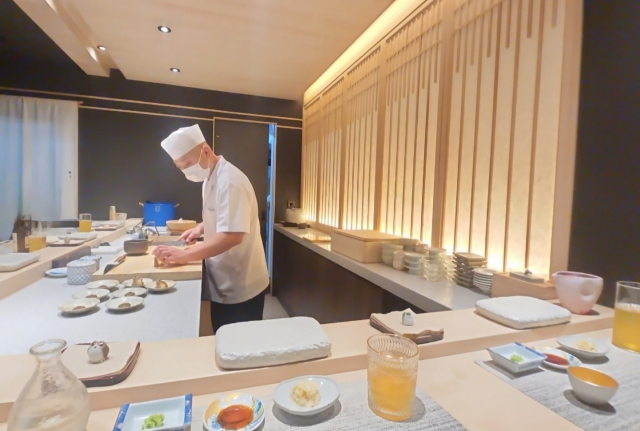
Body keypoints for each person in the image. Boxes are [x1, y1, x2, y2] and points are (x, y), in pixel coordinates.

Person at [155, 124, 269, 333]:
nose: (186, 170)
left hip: (241, 282)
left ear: (205, 151)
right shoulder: (209, 178)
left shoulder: (231, 181)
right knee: (222, 335)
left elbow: (232, 236)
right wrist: (200, 229)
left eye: (188, 163)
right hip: (223, 277)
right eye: (181, 167)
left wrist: (185, 254)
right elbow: (221, 215)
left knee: (239, 345)